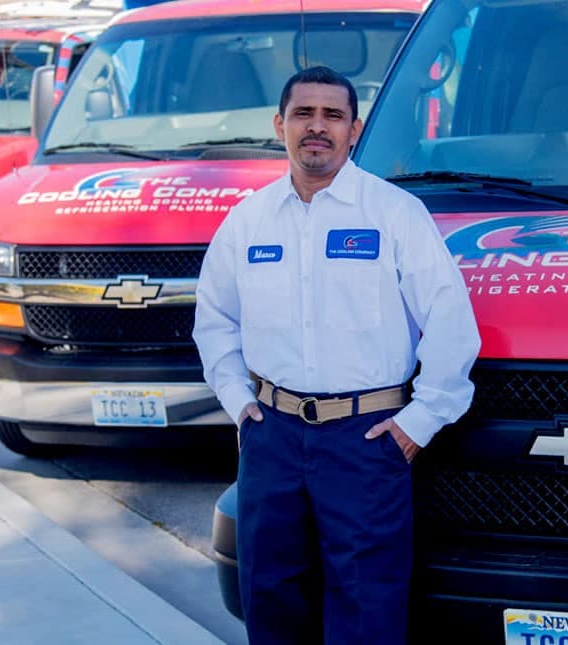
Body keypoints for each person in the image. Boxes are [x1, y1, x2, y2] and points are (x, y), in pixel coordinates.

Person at [193, 66, 480, 645]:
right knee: (271, 597)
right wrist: (239, 403)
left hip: (367, 440)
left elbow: (452, 326)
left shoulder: (394, 214)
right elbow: (215, 319)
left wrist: (417, 423)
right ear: (280, 126)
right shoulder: (247, 221)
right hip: (271, 437)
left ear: (354, 130)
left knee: (366, 603)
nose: (316, 128)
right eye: (303, 114)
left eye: (332, 115)